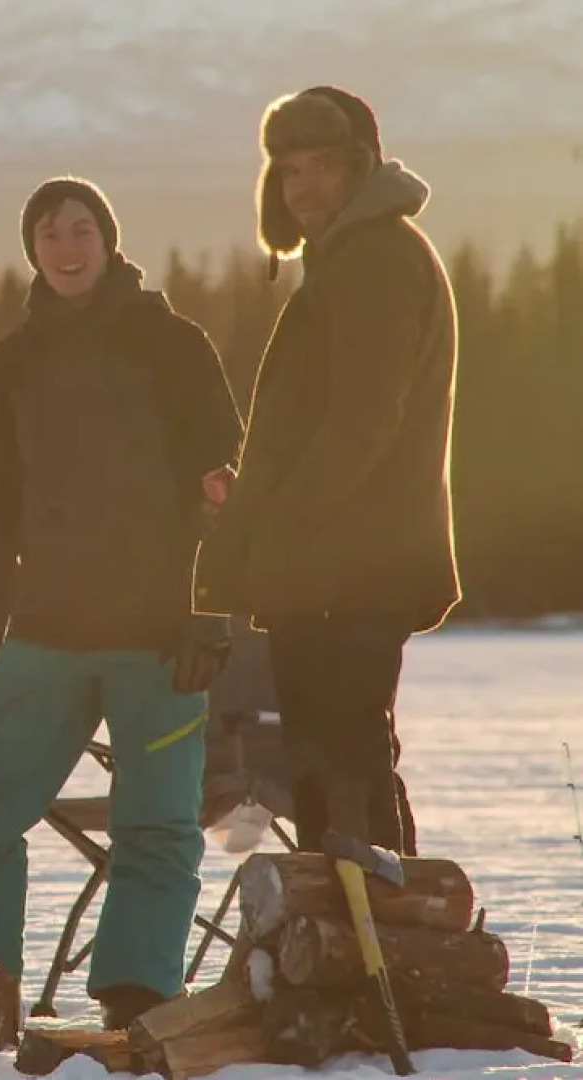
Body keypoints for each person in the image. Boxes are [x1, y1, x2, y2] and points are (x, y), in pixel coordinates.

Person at [0, 178, 243, 1031]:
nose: (65, 247)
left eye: (80, 230)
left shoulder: (171, 345)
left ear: (107, 241)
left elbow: (223, 493)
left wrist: (210, 615)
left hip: (158, 636)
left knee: (156, 826)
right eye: (48, 232)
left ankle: (135, 999)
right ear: (30, 248)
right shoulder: (12, 364)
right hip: (45, 632)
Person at [195, 87, 460, 859]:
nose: (303, 187)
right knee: (337, 767)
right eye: (288, 171)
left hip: (352, 566)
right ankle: (354, 941)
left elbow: (360, 423)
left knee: (342, 773)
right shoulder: (345, 263)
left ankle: (377, 950)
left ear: (360, 169)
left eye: (322, 167)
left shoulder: (376, 261)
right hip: (329, 567)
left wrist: (281, 525)